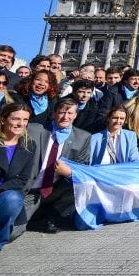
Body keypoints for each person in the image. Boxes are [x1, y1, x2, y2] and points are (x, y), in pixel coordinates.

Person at [25, 98, 91, 233]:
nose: (65, 117)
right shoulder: (35, 129)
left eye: (70, 113)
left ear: (75, 115)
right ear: (54, 113)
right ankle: (33, 217)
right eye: (61, 112)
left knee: (78, 186)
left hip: (53, 189)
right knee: (13, 230)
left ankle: (50, 217)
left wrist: (67, 172)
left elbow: (82, 169)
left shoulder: (83, 137)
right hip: (29, 189)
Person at [0, 104, 35, 254]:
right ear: (3, 119)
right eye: (15, 119)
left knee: (14, 198)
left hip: (3, 197)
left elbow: (22, 179)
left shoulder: (28, 145)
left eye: (25, 119)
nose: (21, 124)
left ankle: (0, 237)